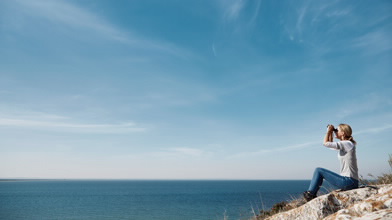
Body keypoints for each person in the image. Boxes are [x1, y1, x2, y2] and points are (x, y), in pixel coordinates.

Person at [303, 124, 359, 202]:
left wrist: (329, 131)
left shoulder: (347, 143)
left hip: (349, 181)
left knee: (319, 170)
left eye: (337, 130)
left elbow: (326, 143)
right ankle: (311, 194)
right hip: (351, 182)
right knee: (319, 170)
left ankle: (310, 195)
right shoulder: (346, 144)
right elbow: (330, 144)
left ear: (343, 133)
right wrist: (330, 133)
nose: (335, 132)